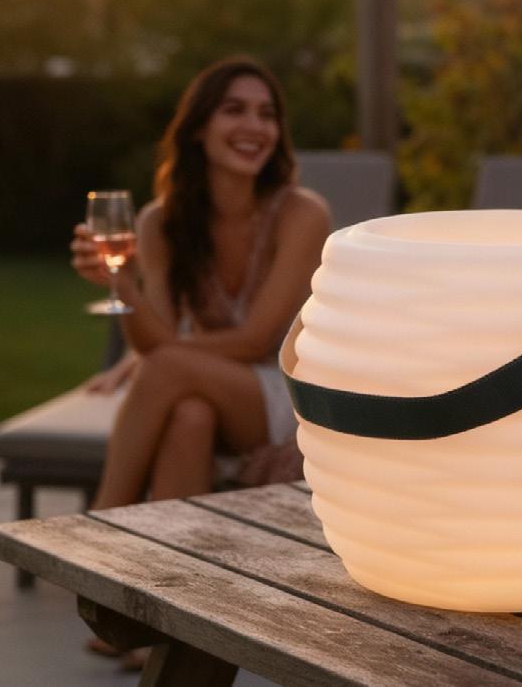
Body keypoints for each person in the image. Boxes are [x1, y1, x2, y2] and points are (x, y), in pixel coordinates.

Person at [71, 56, 330, 511]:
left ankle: (101, 518)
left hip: (290, 393)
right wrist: (121, 282)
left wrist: (166, 356)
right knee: (190, 416)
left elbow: (254, 342)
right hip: (207, 388)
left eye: (266, 114)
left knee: (167, 368)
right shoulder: (159, 222)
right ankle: (161, 552)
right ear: (197, 128)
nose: (255, 126)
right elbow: (155, 341)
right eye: (234, 110)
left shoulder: (302, 214)